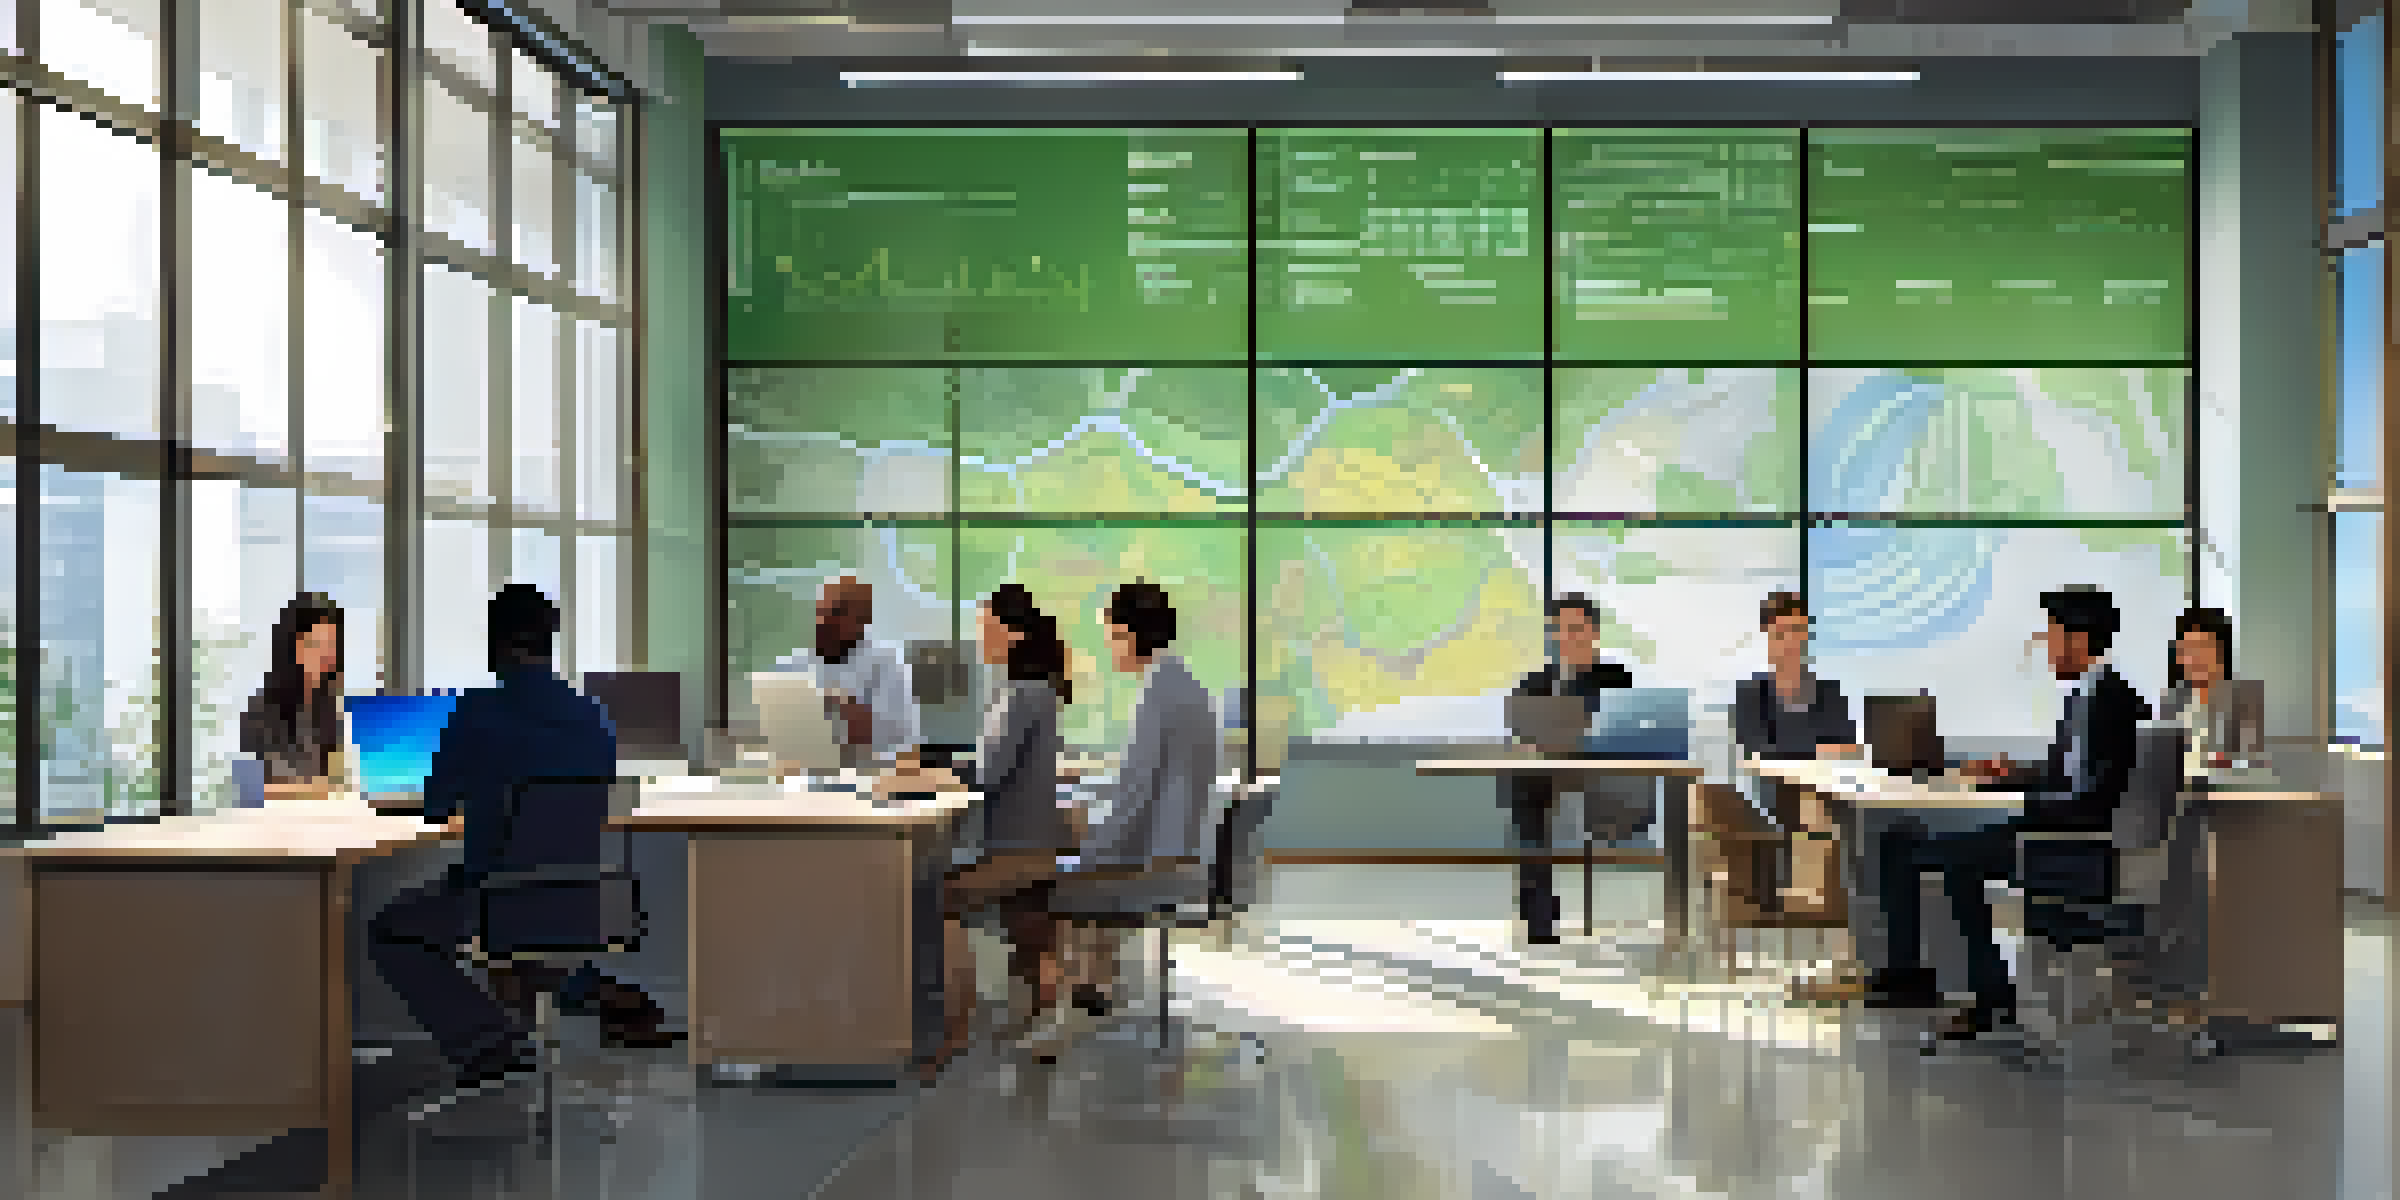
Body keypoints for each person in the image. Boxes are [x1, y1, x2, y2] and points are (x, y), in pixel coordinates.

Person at [369, 585, 680, 1114]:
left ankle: (491, 1047)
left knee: (392, 930)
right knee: (520, 936)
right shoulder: (592, 715)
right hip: (580, 901)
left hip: (497, 901)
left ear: (497, 643)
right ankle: (572, 1002)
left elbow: (438, 806)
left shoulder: (479, 711)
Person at [1864, 587, 2151, 1038]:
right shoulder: (2085, 694)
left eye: (2052, 636)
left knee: (1960, 859)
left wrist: (2025, 808)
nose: (2047, 648)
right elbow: (2065, 774)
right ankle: (1918, 976)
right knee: (1908, 841)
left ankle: (1989, 996)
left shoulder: (2113, 701)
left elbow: (2094, 802)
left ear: (2078, 640)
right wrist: (2009, 774)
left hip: (2075, 846)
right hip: (2055, 828)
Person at [1037, 581, 1221, 1056]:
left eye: (1113, 634)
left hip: (1162, 866)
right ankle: (1097, 986)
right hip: (1182, 850)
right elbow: (1144, 786)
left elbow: (1134, 801)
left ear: (1134, 634)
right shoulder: (1183, 685)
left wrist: (1084, 850)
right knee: (1083, 849)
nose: (1109, 646)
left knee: (1048, 876)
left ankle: (1059, 1017)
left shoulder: (1158, 695)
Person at [932, 584, 1078, 1074]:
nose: (980, 638)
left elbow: (987, 773)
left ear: (1012, 633)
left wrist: (933, 773)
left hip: (1019, 851)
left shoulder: (1023, 694)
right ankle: (1042, 1020)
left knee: (939, 900)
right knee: (1029, 928)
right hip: (1033, 845)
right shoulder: (1034, 690)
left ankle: (951, 1030)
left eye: (986, 627)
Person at [1504, 594, 1635, 944]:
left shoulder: (1617, 678)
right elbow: (1521, 729)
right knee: (1524, 789)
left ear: (1594, 632)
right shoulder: (1537, 681)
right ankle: (1539, 913)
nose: (1567, 637)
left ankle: (1673, 914)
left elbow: (1628, 730)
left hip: (1606, 773)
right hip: (1553, 770)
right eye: (1560, 630)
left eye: (1576, 629)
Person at [1731, 591, 1861, 910]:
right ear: (1768, 638)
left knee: (1852, 811)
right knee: (1810, 806)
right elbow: (1758, 750)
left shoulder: (1828, 691)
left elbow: (1848, 747)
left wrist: (1807, 751)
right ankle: (1815, 897)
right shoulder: (1751, 694)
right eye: (1782, 633)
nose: (1791, 643)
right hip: (1776, 790)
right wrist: (1818, 749)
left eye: (1798, 632)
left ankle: (1845, 898)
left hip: (1829, 788)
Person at [771, 576, 919, 758]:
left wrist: (842, 705)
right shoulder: (797, 663)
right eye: (821, 610)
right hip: (803, 763)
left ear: (863, 618)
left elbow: (900, 737)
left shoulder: (887, 664)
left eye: (836, 612)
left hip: (870, 766)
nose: (824, 619)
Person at [239, 592, 355, 799]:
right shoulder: (261, 710)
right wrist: (322, 790)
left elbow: (340, 782)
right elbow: (250, 789)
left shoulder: (331, 711)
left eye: (332, 645)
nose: (328, 656)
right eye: (317, 644)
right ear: (294, 646)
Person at [2160, 606, 2265, 767]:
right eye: (2187, 650)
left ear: (2221, 650)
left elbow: (2250, 759)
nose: (2194, 659)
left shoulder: (2246, 698)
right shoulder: (2172, 700)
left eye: (2201, 648)